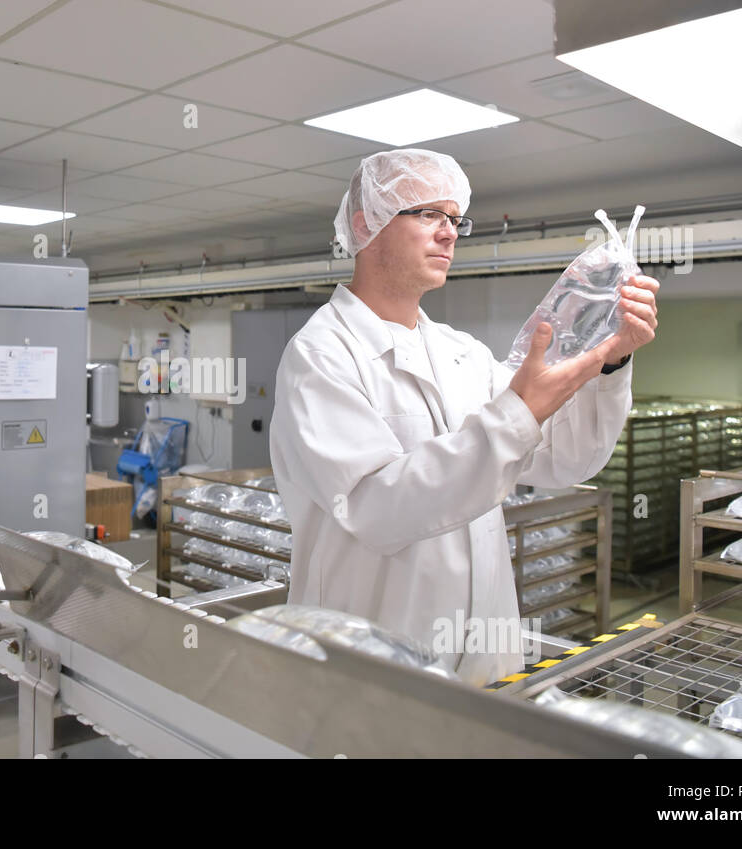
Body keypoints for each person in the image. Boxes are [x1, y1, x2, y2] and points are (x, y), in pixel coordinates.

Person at [269, 149, 659, 685]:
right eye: (428, 214)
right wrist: (519, 412)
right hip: (374, 669)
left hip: (485, 662)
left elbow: (564, 459)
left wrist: (610, 361)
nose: (450, 234)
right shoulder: (321, 354)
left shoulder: (463, 353)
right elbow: (375, 505)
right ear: (366, 225)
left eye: (455, 219)